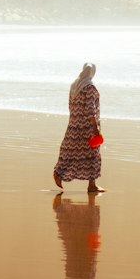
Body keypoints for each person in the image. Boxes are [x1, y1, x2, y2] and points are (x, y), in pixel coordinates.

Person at [53, 62, 104, 193]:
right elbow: (90, 110)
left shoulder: (74, 85)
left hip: (74, 125)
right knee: (92, 155)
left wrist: (75, 121)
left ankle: (59, 173)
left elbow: (70, 106)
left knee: (70, 152)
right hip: (87, 127)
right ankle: (92, 185)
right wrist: (95, 129)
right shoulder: (90, 87)